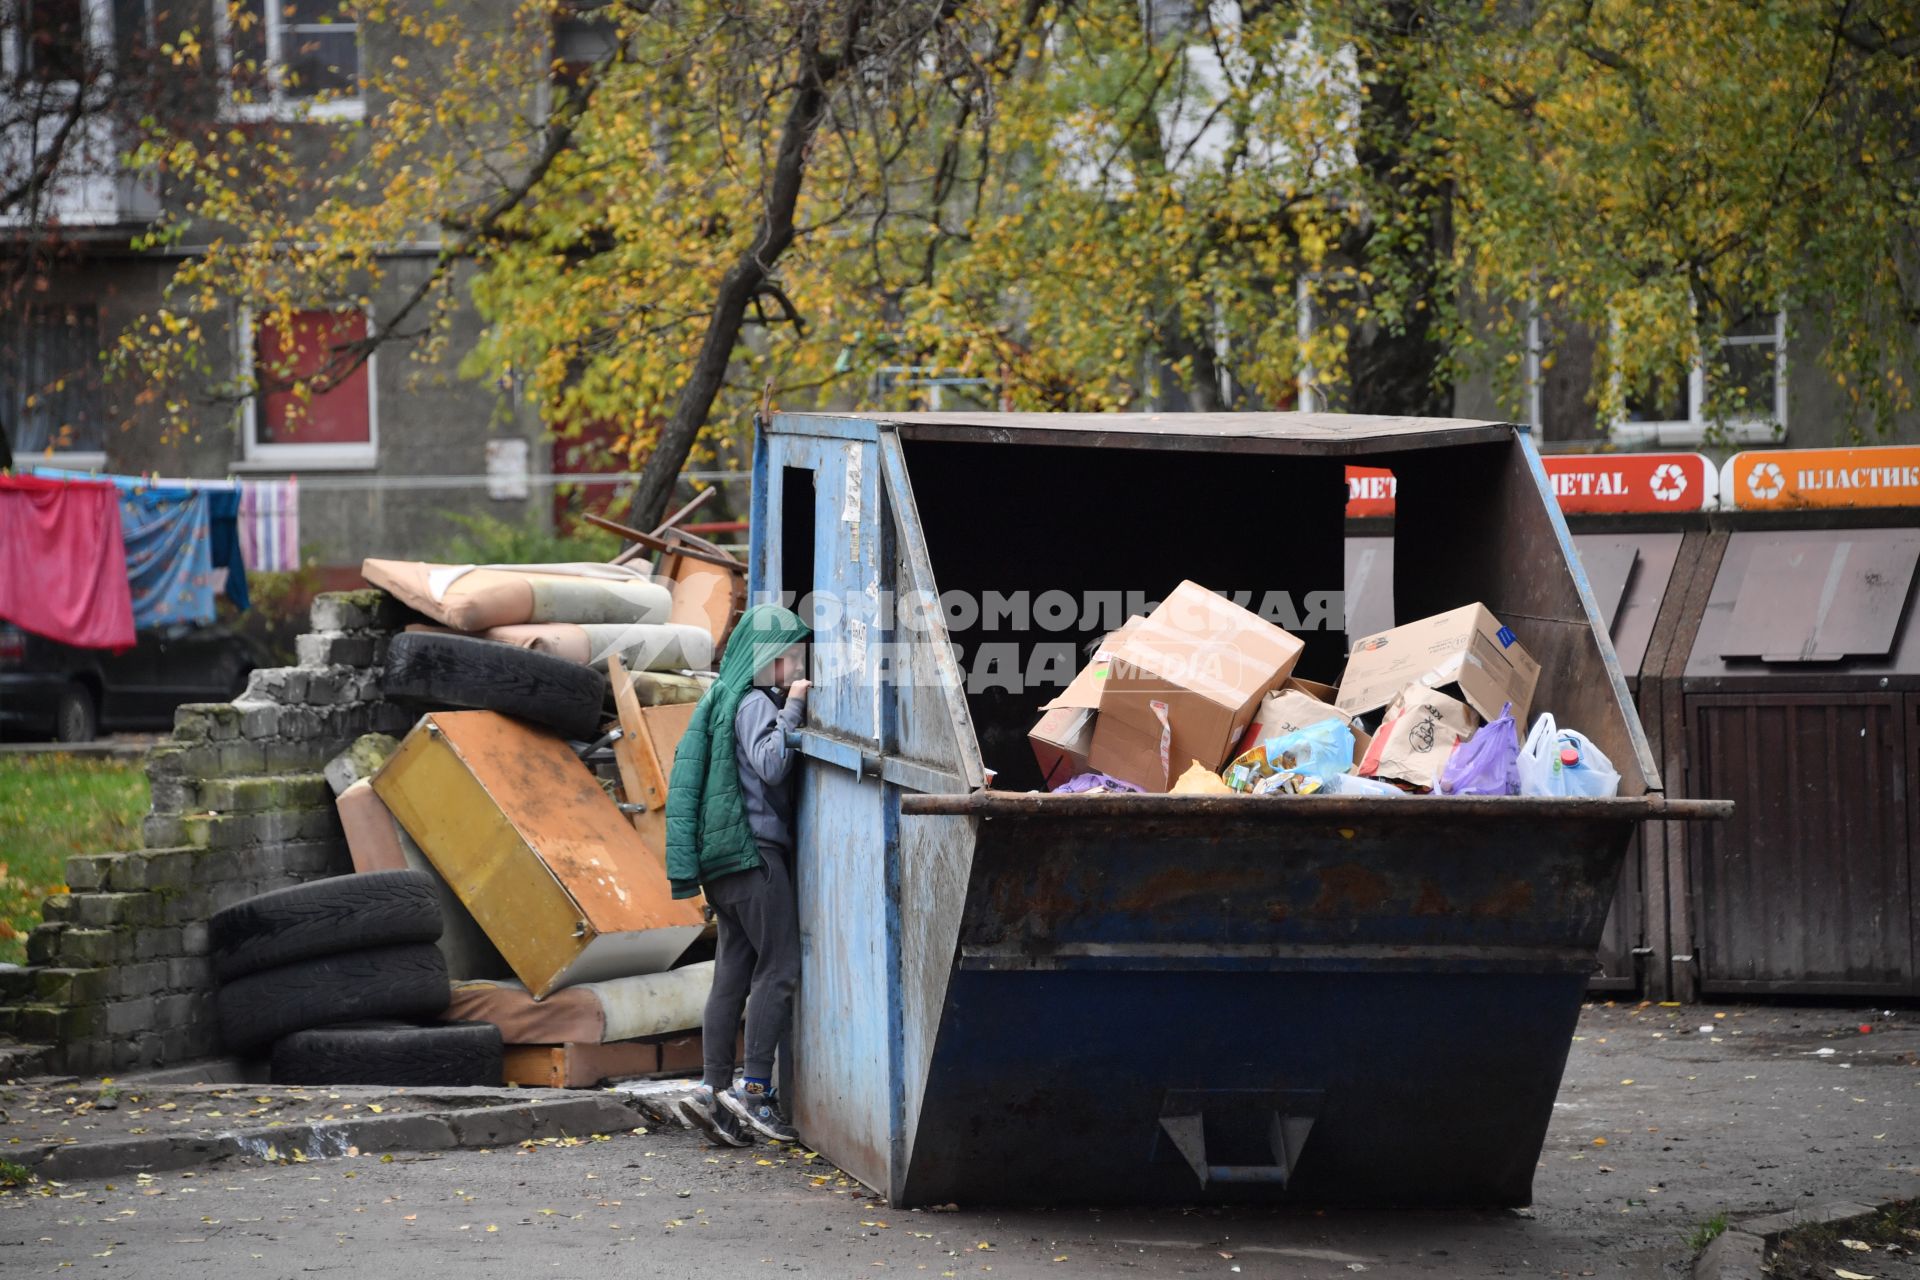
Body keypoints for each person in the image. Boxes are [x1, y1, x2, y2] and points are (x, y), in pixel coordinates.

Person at [664, 603, 811, 1147]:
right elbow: (772, 763)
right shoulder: (752, 702)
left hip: (722, 866)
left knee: (731, 976)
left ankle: (710, 1092)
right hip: (755, 858)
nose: (795, 668)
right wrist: (793, 710)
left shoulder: (721, 698)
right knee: (781, 968)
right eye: (788, 658)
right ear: (765, 659)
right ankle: (755, 1092)